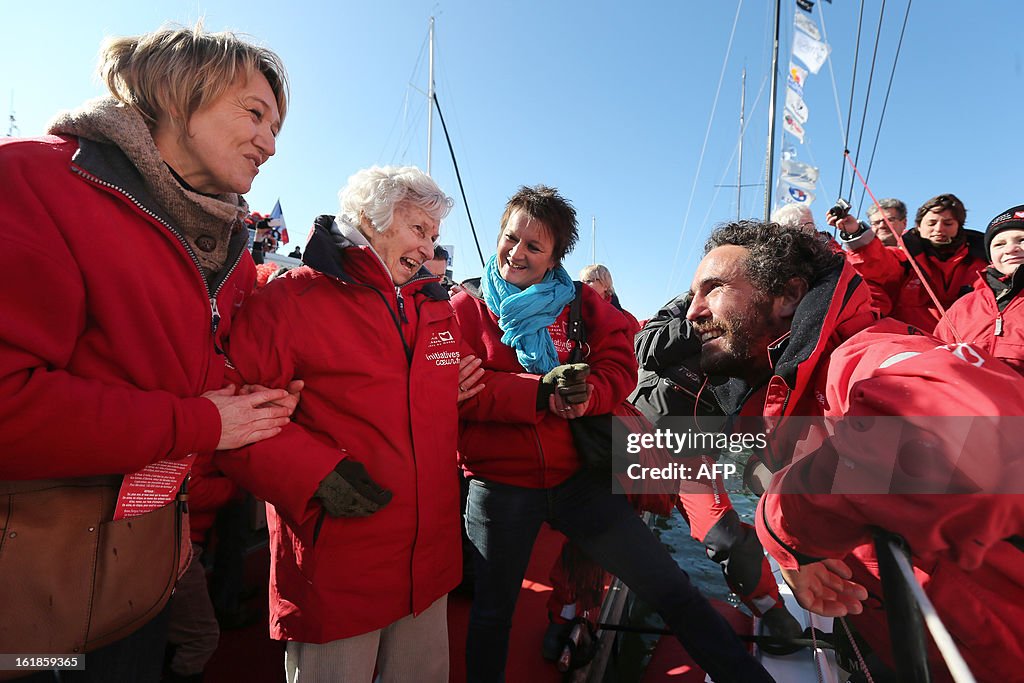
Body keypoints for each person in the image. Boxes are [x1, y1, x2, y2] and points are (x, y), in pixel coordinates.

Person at [0, 24, 297, 682]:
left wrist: (256, 394)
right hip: (33, 590)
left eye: (277, 127)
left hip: (142, 571)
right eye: (255, 114)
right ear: (177, 91)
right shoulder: (34, 179)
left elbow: (198, 373)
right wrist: (203, 422)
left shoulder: (230, 247)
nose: (271, 144)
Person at [452, 185, 774, 683]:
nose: (516, 253)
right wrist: (539, 393)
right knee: (493, 613)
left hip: (579, 479)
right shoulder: (465, 307)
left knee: (671, 588)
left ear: (556, 255)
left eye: (534, 246)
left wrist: (590, 395)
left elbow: (622, 364)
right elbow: (461, 394)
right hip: (499, 487)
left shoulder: (584, 304)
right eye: (510, 238)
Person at [685, 219, 1024, 682]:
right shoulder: (785, 397)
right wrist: (799, 553)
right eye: (692, 296)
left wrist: (780, 522)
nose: (693, 311)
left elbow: (970, 437)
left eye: (713, 288)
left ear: (787, 297)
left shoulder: (861, 356)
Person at [215, 166, 484, 683]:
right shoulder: (291, 299)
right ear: (371, 218)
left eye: (433, 236)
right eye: (419, 230)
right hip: (338, 565)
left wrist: (536, 392)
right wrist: (316, 474)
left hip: (428, 563)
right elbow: (234, 413)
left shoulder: (434, 308)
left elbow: (466, 387)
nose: (429, 250)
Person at [631, 293, 802, 640]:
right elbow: (643, 347)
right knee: (595, 520)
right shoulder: (689, 303)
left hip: (693, 452)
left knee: (724, 534)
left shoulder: (773, 324)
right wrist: (703, 325)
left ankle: (772, 611)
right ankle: (570, 614)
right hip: (636, 434)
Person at [836, 193, 987, 332]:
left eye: (948, 223)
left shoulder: (980, 260)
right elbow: (879, 265)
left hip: (969, 345)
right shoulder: (906, 256)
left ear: (958, 227)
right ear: (919, 226)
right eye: (931, 223)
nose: (939, 229)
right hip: (913, 345)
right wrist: (855, 233)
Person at [934, 203, 1024, 376]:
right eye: (999, 244)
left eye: (1021, 240)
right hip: (969, 400)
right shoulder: (963, 307)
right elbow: (939, 358)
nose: (1010, 249)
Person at [579, 263, 641, 336]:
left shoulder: (628, 319)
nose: (583, 284)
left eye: (589, 281)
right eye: (582, 281)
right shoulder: (574, 310)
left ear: (605, 285)